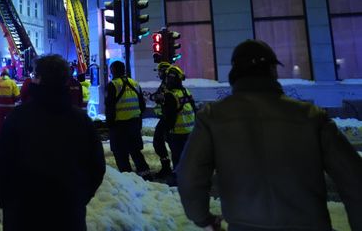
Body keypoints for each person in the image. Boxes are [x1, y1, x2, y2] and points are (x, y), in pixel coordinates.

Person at [178, 39, 362, 231]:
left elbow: (189, 177)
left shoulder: (212, 117)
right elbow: (354, 180)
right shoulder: (310, 116)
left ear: (234, 73)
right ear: (273, 70)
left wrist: (203, 219)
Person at [0, 55, 106, 230]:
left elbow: (0, 166)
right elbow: (96, 167)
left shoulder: (18, 118)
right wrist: (77, 198)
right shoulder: (81, 121)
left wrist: (10, 203)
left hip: (23, 215)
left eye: (35, 75)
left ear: (40, 79)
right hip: (67, 215)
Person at [105, 60, 150, 175]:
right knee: (135, 151)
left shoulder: (113, 85)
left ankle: (127, 177)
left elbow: (110, 107)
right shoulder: (134, 83)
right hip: (134, 124)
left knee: (120, 153)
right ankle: (145, 174)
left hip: (119, 125)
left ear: (113, 71)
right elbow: (142, 105)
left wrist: (109, 124)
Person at [161, 65, 195, 176]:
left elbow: (169, 117)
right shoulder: (186, 92)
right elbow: (194, 110)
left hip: (177, 134)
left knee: (178, 160)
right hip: (189, 131)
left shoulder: (170, 95)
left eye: (168, 78)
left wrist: (166, 132)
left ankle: (179, 183)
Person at [149, 62, 173, 176]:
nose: (158, 74)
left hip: (168, 118)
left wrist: (156, 97)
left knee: (159, 142)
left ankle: (168, 168)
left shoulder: (168, 84)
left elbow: (165, 98)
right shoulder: (166, 83)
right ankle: (169, 167)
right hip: (166, 117)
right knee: (165, 142)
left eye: (160, 71)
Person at [0, 67, 20, 137]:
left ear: (1, 73)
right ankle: (10, 140)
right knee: (11, 123)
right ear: (8, 74)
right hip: (10, 107)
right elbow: (17, 97)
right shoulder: (12, 82)